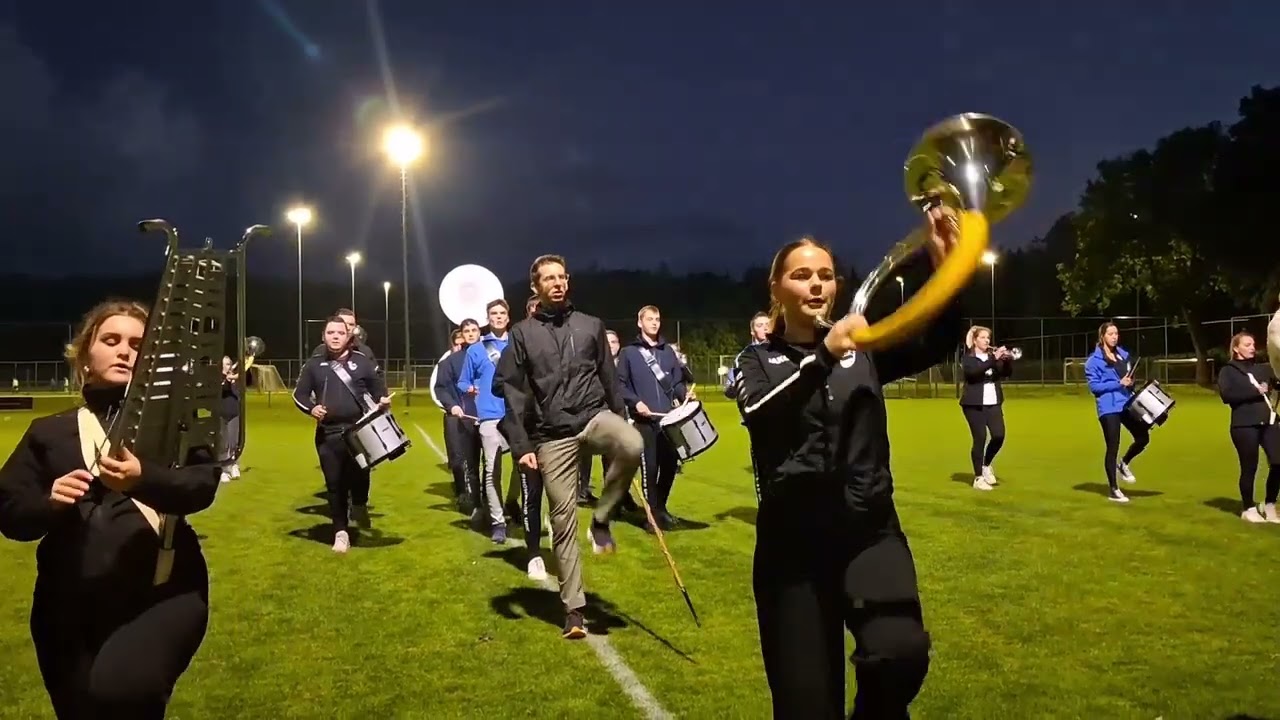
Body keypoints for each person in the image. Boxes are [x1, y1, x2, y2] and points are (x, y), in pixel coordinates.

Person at [736, 214, 960, 718]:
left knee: (899, 654)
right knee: (807, 708)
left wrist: (946, 270)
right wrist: (822, 359)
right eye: (801, 274)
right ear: (776, 286)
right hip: (792, 547)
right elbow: (760, 413)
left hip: (869, 531)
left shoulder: (866, 350)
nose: (816, 283)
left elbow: (939, 336)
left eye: (826, 274)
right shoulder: (756, 359)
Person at [0, 299, 221, 717]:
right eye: (112, 340)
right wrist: (49, 501)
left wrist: (143, 478)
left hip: (161, 593)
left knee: (120, 694)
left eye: (139, 344)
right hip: (64, 605)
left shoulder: (178, 425)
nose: (125, 351)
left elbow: (201, 487)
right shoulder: (49, 432)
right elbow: (10, 512)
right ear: (86, 355)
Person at [495, 253, 644, 639]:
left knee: (632, 443)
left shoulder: (591, 326)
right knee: (561, 521)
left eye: (562, 277)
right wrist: (520, 443)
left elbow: (609, 381)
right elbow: (508, 388)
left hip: (593, 417)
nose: (558, 283)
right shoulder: (522, 333)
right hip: (551, 435)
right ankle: (574, 610)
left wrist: (618, 425)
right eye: (549, 278)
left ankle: (602, 519)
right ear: (536, 287)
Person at [292, 317, 391, 553]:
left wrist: (383, 402)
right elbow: (300, 395)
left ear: (349, 337)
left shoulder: (362, 362)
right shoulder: (314, 365)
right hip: (329, 434)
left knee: (359, 477)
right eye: (330, 332)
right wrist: (312, 408)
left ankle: (359, 505)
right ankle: (341, 532)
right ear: (323, 337)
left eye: (340, 332)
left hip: (359, 432)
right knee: (334, 484)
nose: (335, 336)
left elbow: (379, 392)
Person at [457, 299, 528, 546]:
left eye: (502, 313)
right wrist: (471, 389)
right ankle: (498, 521)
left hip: (517, 414)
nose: (498, 317)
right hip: (489, 415)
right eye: (493, 314)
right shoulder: (476, 349)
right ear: (488, 318)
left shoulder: (519, 343)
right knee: (491, 470)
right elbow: (463, 382)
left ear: (508, 317)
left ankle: (512, 501)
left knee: (525, 465)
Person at [617, 305, 693, 531]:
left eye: (657, 319)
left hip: (668, 421)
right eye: (649, 319)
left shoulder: (667, 352)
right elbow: (619, 385)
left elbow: (677, 382)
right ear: (640, 323)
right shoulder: (629, 353)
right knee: (649, 468)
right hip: (644, 422)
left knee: (670, 466)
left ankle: (660, 508)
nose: (654, 323)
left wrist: (685, 394)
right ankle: (651, 516)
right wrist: (635, 402)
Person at [1217, 331, 1280, 523]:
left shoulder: (1264, 369)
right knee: (1249, 467)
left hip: (1269, 421)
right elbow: (1227, 396)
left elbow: (1277, 385)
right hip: (1244, 424)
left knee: (1278, 462)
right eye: (1247, 344)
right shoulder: (1228, 371)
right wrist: (1254, 391)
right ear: (1236, 348)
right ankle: (1248, 508)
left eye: (1253, 344)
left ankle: (1269, 504)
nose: (1252, 347)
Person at [1084, 322, 1149, 503]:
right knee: (1113, 447)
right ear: (1102, 336)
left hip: (1126, 403)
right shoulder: (1093, 362)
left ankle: (1124, 463)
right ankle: (1114, 489)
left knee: (1143, 437)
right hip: (1108, 407)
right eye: (1111, 334)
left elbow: (1130, 378)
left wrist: (1132, 383)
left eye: (1116, 334)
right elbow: (1095, 387)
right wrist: (1118, 383)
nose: (1114, 337)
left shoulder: (1123, 355)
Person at [431, 323, 482, 515]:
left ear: (479, 333)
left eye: (474, 330)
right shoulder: (450, 361)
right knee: (463, 461)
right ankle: (467, 496)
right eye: (466, 331)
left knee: (491, 463)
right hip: (462, 418)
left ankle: (486, 498)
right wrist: (452, 405)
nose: (470, 334)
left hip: (487, 417)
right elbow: (441, 387)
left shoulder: (491, 357)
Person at [959, 325, 1013, 491]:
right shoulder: (968, 358)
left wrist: (1006, 360)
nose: (986, 340)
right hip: (973, 404)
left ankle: (986, 464)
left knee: (999, 435)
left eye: (988, 338)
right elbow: (973, 374)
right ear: (975, 341)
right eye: (982, 337)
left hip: (993, 403)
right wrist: (993, 360)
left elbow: (1006, 374)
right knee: (980, 438)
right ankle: (978, 478)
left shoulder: (992, 357)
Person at [312, 307, 381, 376]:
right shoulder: (320, 351)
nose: (348, 327)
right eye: (343, 323)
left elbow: (377, 378)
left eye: (351, 324)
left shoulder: (364, 351)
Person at [724, 312, 772, 401]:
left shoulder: (782, 351)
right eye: (760, 325)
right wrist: (734, 384)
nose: (765, 328)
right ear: (752, 332)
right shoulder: (744, 357)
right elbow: (729, 392)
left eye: (768, 324)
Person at [218, 355, 242, 483]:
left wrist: (234, 379)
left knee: (233, 443)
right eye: (223, 364)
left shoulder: (236, 381)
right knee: (223, 444)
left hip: (234, 414)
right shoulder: (218, 379)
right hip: (220, 415)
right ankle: (223, 470)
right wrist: (226, 379)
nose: (225, 366)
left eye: (228, 364)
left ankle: (233, 465)